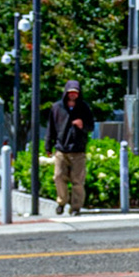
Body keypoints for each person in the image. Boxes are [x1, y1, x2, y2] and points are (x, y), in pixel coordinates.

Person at [44, 79, 97, 216]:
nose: (73, 95)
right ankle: (61, 202)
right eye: (70, 92)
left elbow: (91, 126)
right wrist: (48, 146)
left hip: (78, 150)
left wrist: (82, 125)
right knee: (58, 176)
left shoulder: (84, 108)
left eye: (75, 93)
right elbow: (51, 128)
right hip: (61, 149)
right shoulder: (57, 108)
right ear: (66, 93)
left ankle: (76, 207)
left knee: (77, 181)